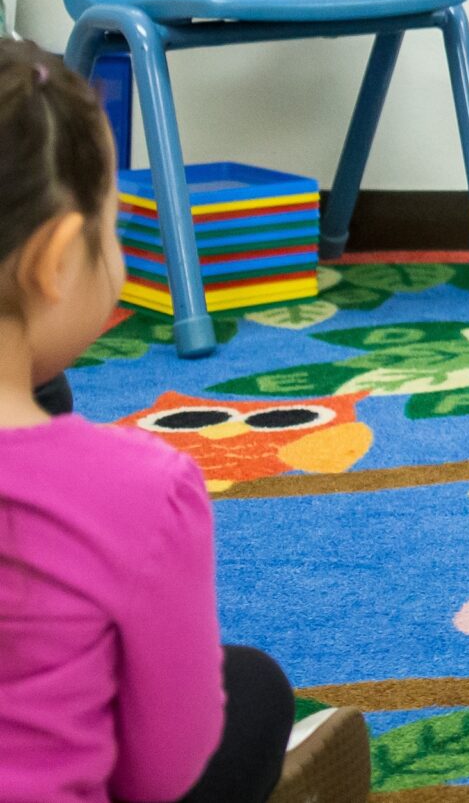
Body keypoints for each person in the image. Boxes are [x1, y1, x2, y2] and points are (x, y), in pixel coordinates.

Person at [0, 40, 369, 802]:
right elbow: (162, 772)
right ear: (57, 260)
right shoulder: (139, 488)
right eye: (113, 229)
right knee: (252, 687)